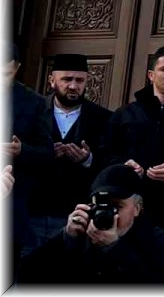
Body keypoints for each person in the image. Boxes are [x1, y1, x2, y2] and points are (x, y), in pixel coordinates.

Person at [18, 163, 164, 285]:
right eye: (101, 206)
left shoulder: (159, 241)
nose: (109, 214)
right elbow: (27, 275)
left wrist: (114, 249)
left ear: (137, 208)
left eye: (117, 206)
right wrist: (65, 239)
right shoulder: (84, 232)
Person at [105, 45, 164, 252]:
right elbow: (106, 154)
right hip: (130, 207)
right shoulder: (126, 114)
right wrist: (125, 166)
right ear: (151, 74)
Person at [28, 53, 113, 252]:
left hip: (74, 216)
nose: (73, 86)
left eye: (79, 80)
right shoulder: (32, 111)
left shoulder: (103, 118)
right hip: (31, 213)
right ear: (52, 81)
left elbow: (110, 161)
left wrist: (87, 159)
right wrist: (43, 154)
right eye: (67, 79)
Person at [4, 43, 54, 266]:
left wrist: (21, 150)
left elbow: (47, 153)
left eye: (6, 73)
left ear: (16, 69)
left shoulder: (33, 102)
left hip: (11, 206)